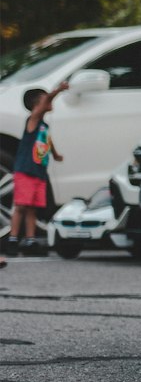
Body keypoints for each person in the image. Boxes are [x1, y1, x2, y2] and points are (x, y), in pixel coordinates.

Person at [5, 81, 70, 257]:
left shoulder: (44, 126)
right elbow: (45, 102)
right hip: (25, 171)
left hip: (38, 173)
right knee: (21, 206)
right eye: (45, 100)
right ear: (36, 105)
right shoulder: (32, 120)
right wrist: (57, 90)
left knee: (33, 208)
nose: (50, 102)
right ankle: (13, 238)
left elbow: (47, 141)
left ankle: (30, 240)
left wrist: (56, 155)